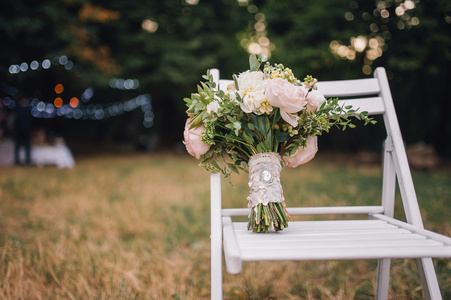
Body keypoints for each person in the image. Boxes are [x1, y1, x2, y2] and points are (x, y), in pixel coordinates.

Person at [14, 95, 32, 165]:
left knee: (26, 145)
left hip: (24, 129)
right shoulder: (24, 108)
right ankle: (17, 160)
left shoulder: (25, 108)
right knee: (18, 145)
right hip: (21, 129)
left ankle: (27, 160)